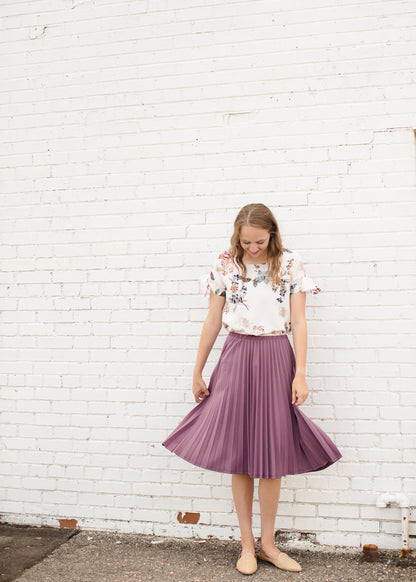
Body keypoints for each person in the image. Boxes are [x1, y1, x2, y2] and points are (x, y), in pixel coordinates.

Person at [162, 203, 342, 575]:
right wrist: (197, 370)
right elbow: (213, 320)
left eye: (259, 241)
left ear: (272, 234)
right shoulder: (226, 263)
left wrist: (301, 372)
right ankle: (246, 546)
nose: (253, 248)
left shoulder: (290, 264)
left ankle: (269, 546)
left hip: (278, 356)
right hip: (237, 355)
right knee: (240, 454)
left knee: (272, 457)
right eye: (246, 242)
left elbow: (300, 320)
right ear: (237, 237)